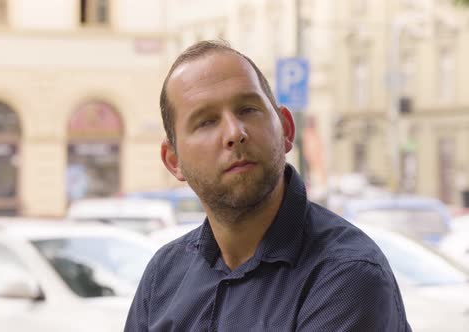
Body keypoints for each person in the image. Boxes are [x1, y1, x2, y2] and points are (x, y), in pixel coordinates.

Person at [125, 40, 411, 331]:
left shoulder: (346, 274)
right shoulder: (163, 275)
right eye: (206, 122)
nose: (235, 132)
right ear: (173, 160)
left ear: (286, 129)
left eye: (248, 109)